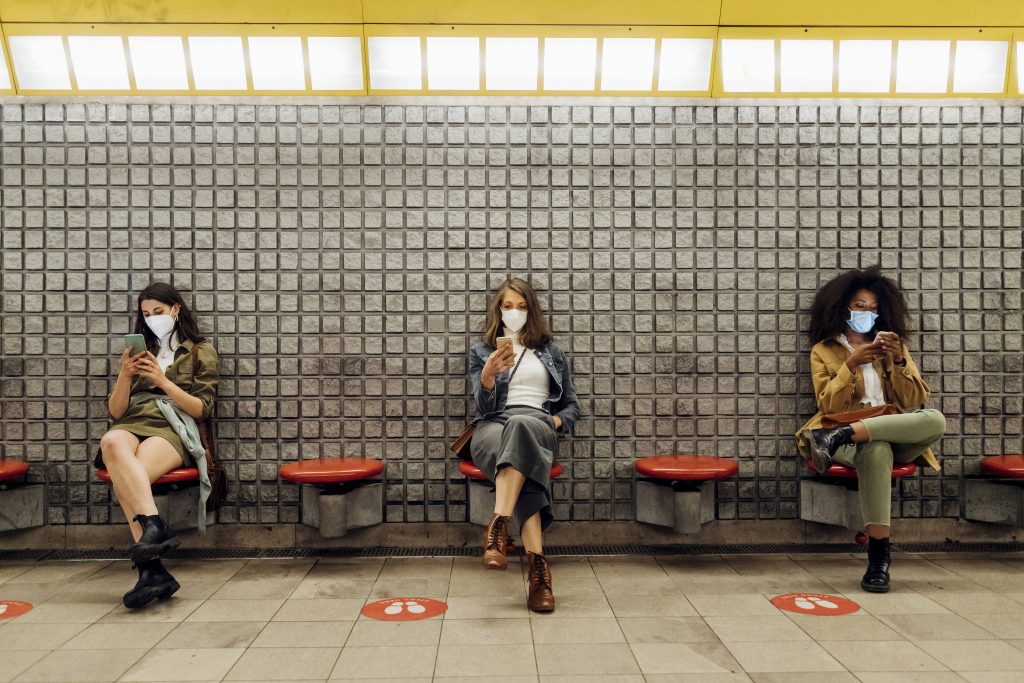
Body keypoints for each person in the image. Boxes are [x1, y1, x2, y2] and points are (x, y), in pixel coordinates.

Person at [797, 266, 945, 593]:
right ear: (843, 307)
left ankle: (842, 436)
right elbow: (829, 407)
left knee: (936, 419)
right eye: (860, 306)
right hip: (844, 425)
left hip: (889, 426)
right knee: (876, 449)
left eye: (874, 307)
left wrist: (899, 362)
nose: (868, 312)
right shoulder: (825, 350)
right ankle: (879, 560)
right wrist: (851, 364)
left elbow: (915, 401)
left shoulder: (893, 347)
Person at [97, 283, 218, 609]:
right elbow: (115, 412)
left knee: (126, 481)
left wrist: (163, 381)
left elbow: (202, 408)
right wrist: (125, 375)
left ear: (175, 310)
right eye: (146, 314)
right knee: (111, 440)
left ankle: (151, 572)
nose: (152, 319)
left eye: (158, 312)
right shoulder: (139, 352)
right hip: (132, 423)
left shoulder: (198, 350)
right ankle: (155, 527)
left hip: (173, 427)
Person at [468, 278, 580, 612]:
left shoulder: (551, 352)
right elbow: (484, 409)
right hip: (493, 427)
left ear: (530, 310)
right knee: (521, 455)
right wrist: (488, 377)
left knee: (522, 427)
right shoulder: (482, 351)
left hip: (538, 424)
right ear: (497, 310)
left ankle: (499, 522)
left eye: (520, 306)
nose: (514, 313)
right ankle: (538, 572)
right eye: (507, 306)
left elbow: (572, 407)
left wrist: (552, 422)